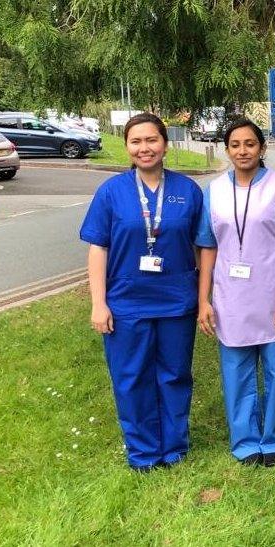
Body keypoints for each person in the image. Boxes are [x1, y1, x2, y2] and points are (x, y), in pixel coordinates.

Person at [80, 113, 203, 472]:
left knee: (175, 374)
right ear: (127, 146)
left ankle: (174, 448)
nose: (144, 148)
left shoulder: (188, 191)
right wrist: (98, 303)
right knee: (131, 377)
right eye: (136, 141)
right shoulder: (111, 192)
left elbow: (202, 247)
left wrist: (206, 296)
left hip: (177, 302)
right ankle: (144, 453)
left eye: (152, 140)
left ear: (165, 144)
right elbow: (98, 248)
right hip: (126, 304)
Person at [196, 118, 275, 467]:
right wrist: (204, 300)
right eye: (235, 145)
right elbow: (208, 247)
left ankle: (273, 440)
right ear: (227, 149)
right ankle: (245, 442)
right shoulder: (213, 192)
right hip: (231, 298)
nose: (242, 151)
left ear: (262, 148)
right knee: (237, 374)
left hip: (274, 295)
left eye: (250, 144)